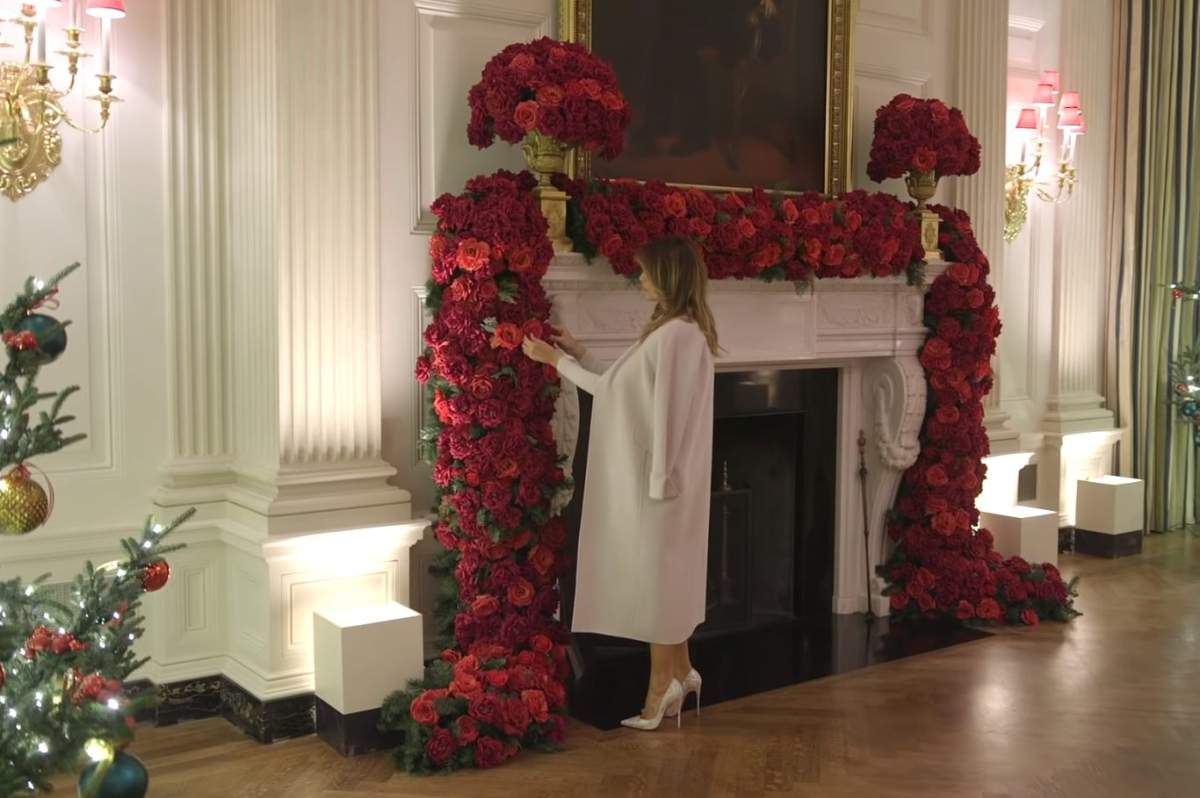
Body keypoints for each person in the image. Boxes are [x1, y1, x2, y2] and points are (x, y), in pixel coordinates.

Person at [522, 236, 719, 731]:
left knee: (656, 586)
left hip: (659, 487)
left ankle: (660, 691)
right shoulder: (677, 330)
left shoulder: (675, 335)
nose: (641, 280)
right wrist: (579, 353)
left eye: (647, 272)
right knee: (668, 582)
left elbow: (664, 413)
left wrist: (553, 361)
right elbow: (623, 388)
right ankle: (680, 670)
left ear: (669, 276)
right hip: (666, 483)